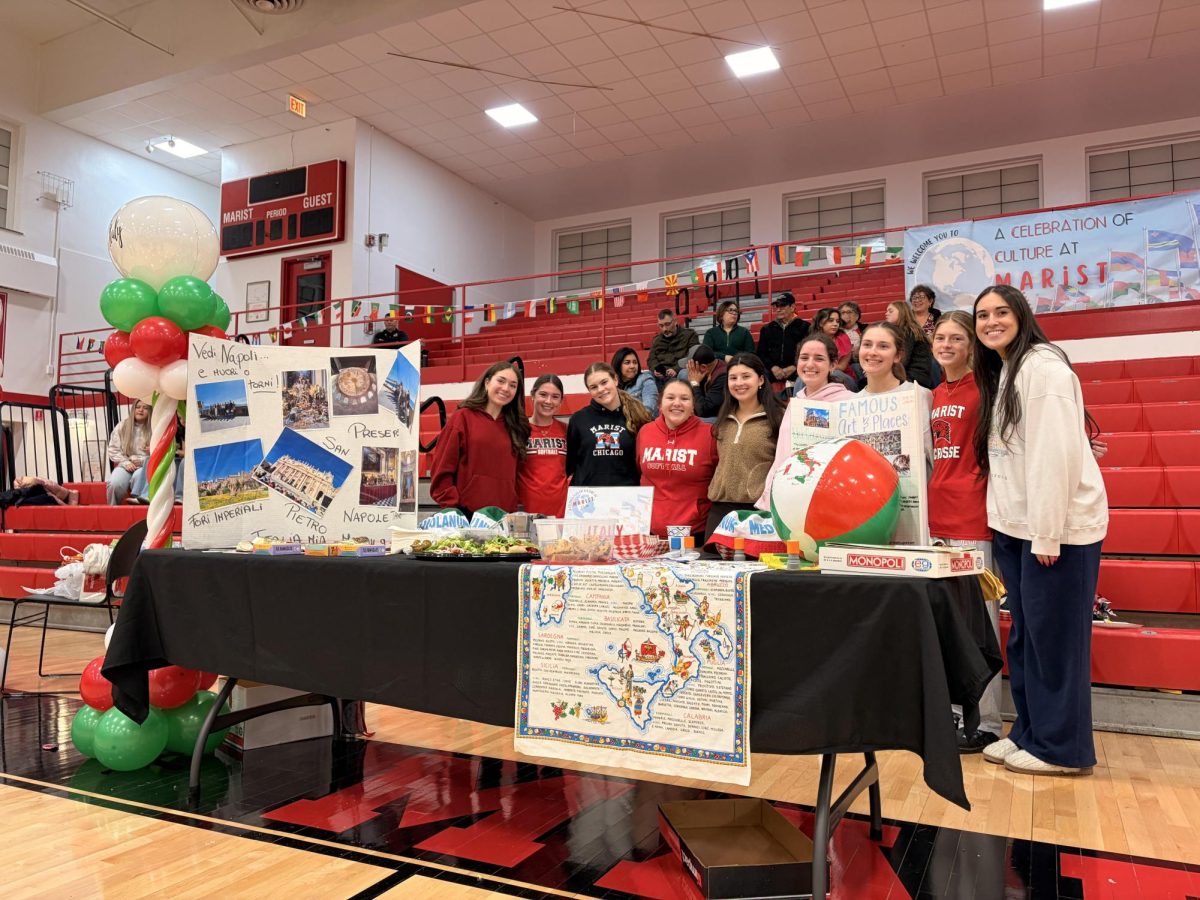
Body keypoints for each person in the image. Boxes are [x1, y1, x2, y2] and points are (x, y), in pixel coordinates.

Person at [972, 284, 1107, 777]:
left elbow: (1054, 457)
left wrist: (1046, 534)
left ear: (1021, 314)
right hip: (1019, 525)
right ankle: (1029, 732)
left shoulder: (1044, 369)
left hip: (1055, 532)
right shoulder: (1009, 368)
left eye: (1001, 312)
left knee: (1055, 642)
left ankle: (1061, 749)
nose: (990, 321)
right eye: (982, 314)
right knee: (1026, 638)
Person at [928, 310, 1002, 753]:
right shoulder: (935, 392)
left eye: (957, 337)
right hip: (936, 518)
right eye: (941, 337)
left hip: (973, 517)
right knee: (949, 626)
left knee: (980, 625)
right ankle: (957, 714)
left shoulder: (986, 387)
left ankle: (988, 720)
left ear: (971, 345)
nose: (947, 344)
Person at [756, 333, 853, 511]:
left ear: (832, 365)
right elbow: (782, 456)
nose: (809, 364)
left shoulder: (848, 402)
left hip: (828, 503)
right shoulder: (796, 403)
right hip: (790, 498)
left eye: (819, 358)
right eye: (804, 358)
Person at [429, 360, 529, 516]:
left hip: (503, 515)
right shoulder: (462, 418)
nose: (506, 388)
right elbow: (442, 467)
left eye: (513, 385)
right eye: (501, 381)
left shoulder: (516, 426)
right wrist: (452, 506)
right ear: (487, 382)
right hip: (466, 512)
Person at [705, 353, 783, 538]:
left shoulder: (779, 417)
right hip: (720, 508)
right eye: (733, 378)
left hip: (759, 512)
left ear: (761, 380)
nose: (739, 382)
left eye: (746, 376)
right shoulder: (723, 420)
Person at [637, 379, 718, 540]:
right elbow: (640, 471)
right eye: (670, 398)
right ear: (660, 404)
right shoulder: (645, 432)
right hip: (650, 532)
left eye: (684, 398)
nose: (677, 403)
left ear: (693, 405)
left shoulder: (710, 434)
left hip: (695, 533)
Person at [858, 321, 934, 470]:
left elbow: (932, 456)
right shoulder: (848, 404)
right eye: (867, 344)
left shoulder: (920, 395)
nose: (872, 352)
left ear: (898, 355)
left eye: (883, 346)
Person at [566, 362, 651, 487]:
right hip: (588, 499)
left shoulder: (638, 416)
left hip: (627, 498)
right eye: (594, 387)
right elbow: (569, 464)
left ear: (615, 380)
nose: (601, 389)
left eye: (604, 382)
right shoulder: (578, 420)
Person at [517, 374, 568, 516]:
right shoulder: (519, 429)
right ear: (532, 395)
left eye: (555, 396)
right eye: (543, 395)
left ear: (561, 401)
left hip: (560, 510)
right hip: (525, 510)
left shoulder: (567, 431)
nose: (548, 401)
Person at [131, 414, 185, 504]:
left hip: (179, 460)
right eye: (179, 418)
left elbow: (185, 452)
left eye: (183, 417)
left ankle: (178, 496)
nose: (182, 420)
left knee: (161, 461)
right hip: (173, 458)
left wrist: (175, 451)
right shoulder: (178, 430)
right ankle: (140, 494)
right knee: (149, 459)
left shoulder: (188, 431)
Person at [757, 292, 809, 385]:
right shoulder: (767, 329)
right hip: (771, 370)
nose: (778, 309)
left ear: (792, 307)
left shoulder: (806, 327)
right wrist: (773, 367)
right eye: (776, 307)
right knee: (758, 376)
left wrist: (794, 366)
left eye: (782, 306)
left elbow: (809, 352)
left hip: (798, 368)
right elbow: (761, 353)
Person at [106, 400, 151, 504]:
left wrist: (143, 461)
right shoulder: (122, 426)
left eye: (145, 408)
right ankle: (113, 510)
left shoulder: (154, 427)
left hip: (145, 466)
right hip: (125, 464)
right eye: (138, 407)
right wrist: (126, 463)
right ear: (133, 409)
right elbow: (113, 449)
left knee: (138, 477)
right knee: (115, 483)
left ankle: (138, 510)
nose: (140, 410)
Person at [885, 300, 936, 389]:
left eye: (890, 311)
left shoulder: (907, 332)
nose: (886, 313)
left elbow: (902, 360)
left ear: (902, 312)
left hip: (914, 380)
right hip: (914, 377)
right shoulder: (909, 330)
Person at [647, 309, 699, 378]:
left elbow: (693, 356)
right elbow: (651, 359)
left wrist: (676, 369)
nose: (664, 329)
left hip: (681, 371)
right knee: (645, 376)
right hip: (662, 375)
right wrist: (656, 369)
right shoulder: (656, 340)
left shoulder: (690, 335)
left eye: (667, 324)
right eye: (661, 326)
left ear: (675, 321)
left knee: (684, 374)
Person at [612, 347, 660, 418]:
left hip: (643, 423)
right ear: (618, 365)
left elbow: (649, 409)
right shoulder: (613, 385)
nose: (632, 366)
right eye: (627, 363)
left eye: (635, 362)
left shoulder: (645, 379)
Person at [685, 345, 728, 419]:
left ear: (703, 367)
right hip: (708, 411)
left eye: (691, 367)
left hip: (722, 418)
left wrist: (694, 383)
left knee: (691, 421)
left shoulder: (722, 377)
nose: (688, 369)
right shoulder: (709, 370)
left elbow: (703, 411)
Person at [811, 308, 853, 372]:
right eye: (830, 320)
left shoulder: (843, 338)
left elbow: (842, 367)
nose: (835, 324)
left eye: (837, 321)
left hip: (840, 373)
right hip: (817, 372)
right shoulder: (812, 341)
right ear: (820, 323)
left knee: (835, 373)